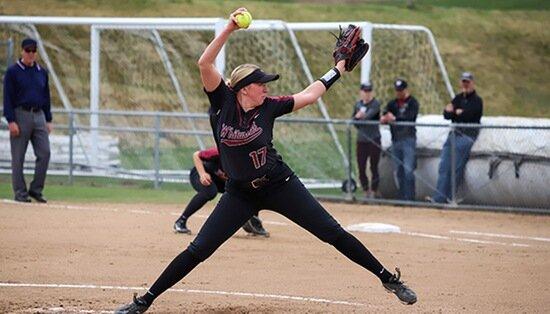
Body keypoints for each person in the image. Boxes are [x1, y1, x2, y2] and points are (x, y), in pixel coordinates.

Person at [115, 8, 416, 313]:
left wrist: (337, 68)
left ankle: (388, 279)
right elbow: (204, 63)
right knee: (198, 249)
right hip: (239, 193)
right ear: (245, 87)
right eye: (262, 83)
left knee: (332, 232)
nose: (267, 87)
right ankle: (144, 301)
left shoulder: (270, 107)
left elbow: (310, 95)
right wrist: (230, 28)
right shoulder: (222, 102)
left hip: (279, 184)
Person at [173, 146, 269, 237]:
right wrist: (202, 174)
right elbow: (196, 155)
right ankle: (181, 221)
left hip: (220, 181)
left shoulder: (246, 162)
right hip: (201, 174)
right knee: (210, 192)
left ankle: (253, 223)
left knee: (251, 191)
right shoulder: (220, 152)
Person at [3, 38, 52, 203]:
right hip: (20, 114)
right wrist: (11, 120)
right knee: (18, 157)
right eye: (27, 50)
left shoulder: (41, 72)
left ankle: (36, 189)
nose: (30, 54)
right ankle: (20, 192)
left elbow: (46, 97)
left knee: (44, 153)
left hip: (38, 115)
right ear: (22, 51)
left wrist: (48, 118)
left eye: (33, 51)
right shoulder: (13, 72)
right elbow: (7, 98)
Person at [430, 72, 483, 203]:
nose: (465, 84)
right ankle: (439, 198)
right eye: (463, 82)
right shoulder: (458, 98)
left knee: (456, 168)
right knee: (444, 167)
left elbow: (469, 115)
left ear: (472, 83)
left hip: (466, 136)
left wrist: (454, 112)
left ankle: (451, 197)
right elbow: (446, 114)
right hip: (454, 134)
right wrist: (455, 112)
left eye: (468, 82)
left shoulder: (477, 100)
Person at [380, 79, 419, 201]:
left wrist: (395, 118)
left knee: (408, 170)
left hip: (408, 139)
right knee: (399, 171)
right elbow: (385, 113)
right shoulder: (393, 103)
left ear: (406, 90)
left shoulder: (413, 102)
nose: (398, 93)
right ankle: (402, 196)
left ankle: (410, 197)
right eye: (397, 90)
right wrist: (385, 117)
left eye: (401, 90)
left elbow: (410, 118)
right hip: (396, 139)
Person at [352, 83, 381, 198]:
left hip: (374, 139)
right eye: (365, 91)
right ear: (361, 92)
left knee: (374, 166)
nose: (367, 93)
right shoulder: (358, 104)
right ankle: (365, 190)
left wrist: (359, 117)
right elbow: (354, 121)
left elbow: (368, 116)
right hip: (362, 140)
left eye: (369, 91)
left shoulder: (375, 104)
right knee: (361, 166)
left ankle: (374, 190)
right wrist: (357, 118)